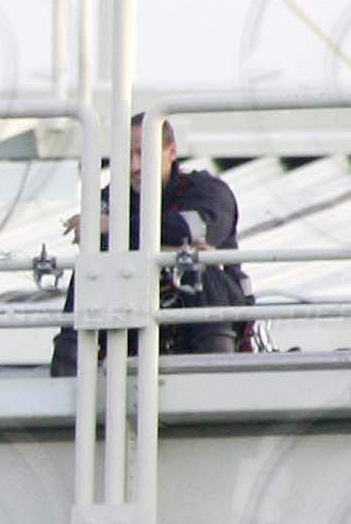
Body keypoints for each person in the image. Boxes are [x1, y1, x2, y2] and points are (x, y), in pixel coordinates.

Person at [50, 119, 249, 373]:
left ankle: (215, 370)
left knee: (196, 265)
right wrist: (168, 245)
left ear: (172, 152)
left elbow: (193, 230)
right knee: (93, 267)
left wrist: (117, 227)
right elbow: (99, 245)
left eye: (142, 154)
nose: (134, 166)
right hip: (135, 321)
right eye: (126, 156)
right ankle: (69, 367)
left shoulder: (207, 192)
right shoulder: (112, 199)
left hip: (209, 320)